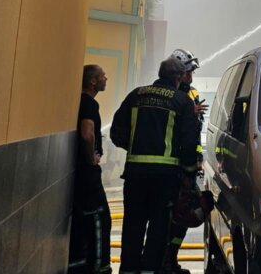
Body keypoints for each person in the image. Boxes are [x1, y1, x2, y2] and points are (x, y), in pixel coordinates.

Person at [110, 57, 200, 274]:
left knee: (133, 224)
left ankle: (129, 270)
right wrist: (188, 174)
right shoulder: (182, 101)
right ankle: (151, 270)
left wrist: (135, 147)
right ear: (178, 77)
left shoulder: (136, 95)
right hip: (165, 178)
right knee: (159, 227)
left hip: (135, 175)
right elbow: (189, 144)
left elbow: (116, 133)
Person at [163, 49, 207, 274]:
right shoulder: (171, 96)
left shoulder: (193, 94)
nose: (191, 76)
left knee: (184, 215)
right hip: (173, 167)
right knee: (173, 217)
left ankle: (170, 259)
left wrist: (198, 159)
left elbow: (194, 133)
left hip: (188, 165)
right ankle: (165, 262)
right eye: (188, 71)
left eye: (191, 71)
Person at [68, 64, 112, 273]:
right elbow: (87, 133)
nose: (106, 79)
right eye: (103, 76)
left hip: (79, 175)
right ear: (93, 81)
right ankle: (100, 267)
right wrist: (91, 159)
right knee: (99, 219)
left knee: (82, 223)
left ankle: (80, 265)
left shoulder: (80, 101)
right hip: (87, 175)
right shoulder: (88, 104)